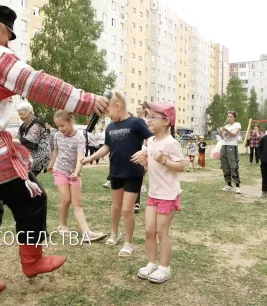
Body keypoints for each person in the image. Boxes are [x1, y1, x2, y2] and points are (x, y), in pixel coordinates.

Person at [0, 4, 109, 303]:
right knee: (34, 198)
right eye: (8, 36)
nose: (8, 44)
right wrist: (86, 100)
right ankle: (32, 260)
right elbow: (37, 84)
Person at [82, 92, 152, 257]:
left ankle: (129, 242)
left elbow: (152, 139)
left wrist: (146, 152)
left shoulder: (136, 122)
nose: (108, 115)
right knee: (116, 207)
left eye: (108, 112)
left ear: (118, 106)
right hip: (116, 171)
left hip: (133, 172)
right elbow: (106, 147)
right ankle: (114, 233)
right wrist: (90, 158)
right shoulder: (110, 127)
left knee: (127, 210)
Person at [135, 101, 185, 283]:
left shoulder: (171, 143)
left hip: (168, 195)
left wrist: (164, 160)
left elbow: (180, 166)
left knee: (161, 231)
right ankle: (151, 263)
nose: (148, 119)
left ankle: (165, 267)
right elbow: (152, 166)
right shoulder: (150, 141)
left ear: (166, 121)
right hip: (153, 194)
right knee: (149, 230)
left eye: (153, 117)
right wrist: (146, 163)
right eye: (148, 116)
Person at [48, 110, 106, 242]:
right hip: (60, 171)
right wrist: (51, 165)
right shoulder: (57, 136)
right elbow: (56, 151)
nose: (60, 129)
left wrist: (76, 171)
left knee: (77, 204)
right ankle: (62, 225)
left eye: (62, 125)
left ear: (71, 121)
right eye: (58, 126)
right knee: (66, 199)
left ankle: (87, 233)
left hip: (75, 173)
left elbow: (80, 156)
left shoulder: (80, 137)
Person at [17, 102, 51, 176]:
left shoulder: (37, 124)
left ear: (30, 113)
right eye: (19, 114)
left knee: (27, 177)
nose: (21, 116)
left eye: (23, 114)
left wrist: (8, 139)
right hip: (29, 156)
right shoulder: (23, 125)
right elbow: (18, 137)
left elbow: (27, 141)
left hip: (39, 156)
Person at [219, 111, 242, 194]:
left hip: (232, 146)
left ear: (234, 117)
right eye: (228, 117)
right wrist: (220, 132)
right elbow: (223, 137)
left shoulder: (237, 124)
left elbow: (233, 134)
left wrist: (226, 130)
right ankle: (228, 184)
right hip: (224, 146)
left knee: (233, 165)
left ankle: (238, 186)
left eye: (231, 117)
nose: (229, 118)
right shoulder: (226, 126)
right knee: (225, 165)